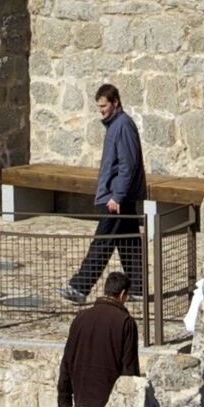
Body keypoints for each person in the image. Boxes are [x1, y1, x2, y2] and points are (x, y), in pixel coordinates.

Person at [67, 81, 147, 301]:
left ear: (115, 103)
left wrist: (116, 196)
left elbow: (126, 165)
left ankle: (80, 287)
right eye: (99, 107)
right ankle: (138, 289)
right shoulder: (117, 125)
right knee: (129, 242)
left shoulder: (122, 125)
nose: (100, 111)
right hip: (119, 196)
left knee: (102, 241)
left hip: (116, 198)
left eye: (103, 106)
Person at [57, 272, 141, 407]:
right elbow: (129, 367)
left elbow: (68, 359)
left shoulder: (81, 317)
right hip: (110, 393)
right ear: (122, 294)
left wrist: (64, 398)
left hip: (83, 389)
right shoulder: (126, 322)